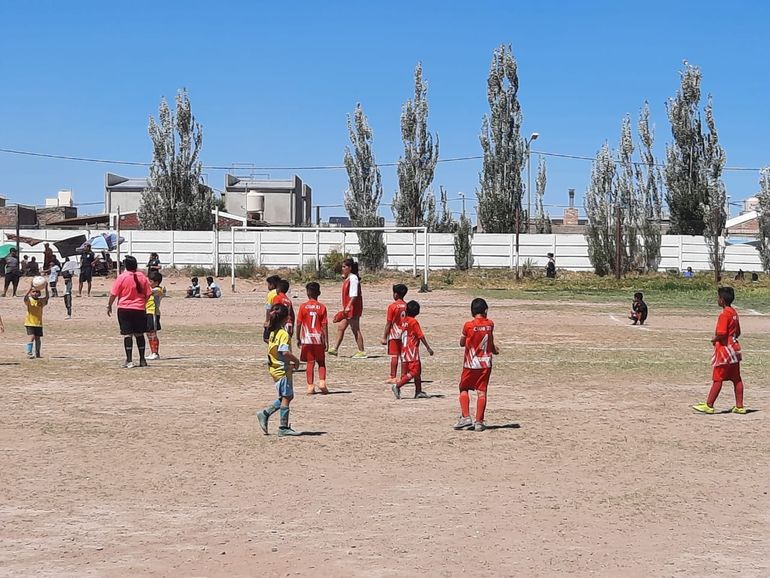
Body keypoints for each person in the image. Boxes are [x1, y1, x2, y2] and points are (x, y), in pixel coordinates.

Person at [693, 287, 746, 415]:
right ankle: (739, 406)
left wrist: (714, 339)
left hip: (725, 351)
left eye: (718, 297)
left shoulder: (724, 314)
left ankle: (709, 405)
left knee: (718, 378)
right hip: (735, 349)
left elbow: (722, 333)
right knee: (736, 378)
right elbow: (738, 332)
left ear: (722, 300)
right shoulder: (734, 313)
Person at [454, 298, 499, 432]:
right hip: (485, 363)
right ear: (485, 310)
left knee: (463, 388)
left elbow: (462, 343)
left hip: (471, 363)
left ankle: (466, 417)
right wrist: (495, 350)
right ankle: (479, 421)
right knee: (482, 391)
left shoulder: (468, 325)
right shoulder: (490, 324)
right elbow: (490, 342)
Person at [256, 303, 301, 436]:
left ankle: (265, 413)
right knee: (286, 397)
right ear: (286, 318)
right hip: (282, 370)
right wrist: (296, 361)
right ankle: (283, 427)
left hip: (275, 368)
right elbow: (284, 352)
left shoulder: (273, 333)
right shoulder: (283, 334)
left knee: (288, 396)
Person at [107, 255, 152, 368]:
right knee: (139, 334)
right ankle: (142, 359)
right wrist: (143, 303)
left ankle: (129, 360)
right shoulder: (142, 277)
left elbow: (114, 294)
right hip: (139, 309)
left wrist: (109, 305)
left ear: (126, 266)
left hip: (125, 309)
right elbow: (148, 293)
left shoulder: (122, 277)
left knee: (127, 335)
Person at [391, 300, 434, 400]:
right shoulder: (413, 322)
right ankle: (397, 385)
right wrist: (428, 348)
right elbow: (420, 336)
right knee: (415, 371)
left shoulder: (404, 321)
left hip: (404, 349)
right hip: (412, 350)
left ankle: (418, 391)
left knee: (417, 372)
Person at [329, 258, 366, 358]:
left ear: (350, 268)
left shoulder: (353, 278)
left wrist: (349, 306)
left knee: (355, 329)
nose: (342, 268)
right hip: (348, 308)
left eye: (344, 267)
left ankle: (362, 351)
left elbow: (354, 294)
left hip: (353, 308)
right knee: (341, 327)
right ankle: (335, 349)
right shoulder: (348, 278)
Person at [296, 282, 329, 395]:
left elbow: (299, 323)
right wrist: (326, 341)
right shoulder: (322, 307)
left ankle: (310, 386)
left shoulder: (303, 306)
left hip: (307, 338)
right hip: (318, 338)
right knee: (321, 361)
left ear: (307, 293)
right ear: (319, 293)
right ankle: (322, 382)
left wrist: (297, 337)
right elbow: (324, 325)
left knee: (310, 362)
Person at [381, 284, 408, 384]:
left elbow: (389, 323)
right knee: (403, 356)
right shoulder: (407, 306)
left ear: (395, 294)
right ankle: (404, 376)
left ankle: (392, 376)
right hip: (405, 333)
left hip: (395, 334)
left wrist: (384, 336)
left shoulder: (392, 306)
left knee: (394, 355)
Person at [24, 279, 49, 359]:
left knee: (38, 338)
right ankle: (29, 352)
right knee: (32, 337)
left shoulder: (41, 301)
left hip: (38, 323)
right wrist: (30, 288)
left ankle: (38, 353)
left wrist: (46, 287)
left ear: (39, 293)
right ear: (31, 293)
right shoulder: (29, 300)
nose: (35, 293)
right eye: (33, 292)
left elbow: (47, 298)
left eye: (37, 292)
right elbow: (25, 297)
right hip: (29, 323)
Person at [145, 270, 164, 360]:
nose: (149, 283)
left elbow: (149, 292)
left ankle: (155, 353)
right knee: (148, 333)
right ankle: (152, 352)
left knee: (153, 333)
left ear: (156, 282)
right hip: (146, 311)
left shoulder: (158, 290)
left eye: (151, 281)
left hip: (153, 312)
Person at [262, 275, 281, 343]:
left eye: (268, 284)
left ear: (272, 285)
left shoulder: (271, 294)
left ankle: (274, 347)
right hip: (281, 319)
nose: (268, 286)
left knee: (266, 338)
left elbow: (268, 308)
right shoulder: (281, 292)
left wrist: (267, 320)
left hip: (273, 319)